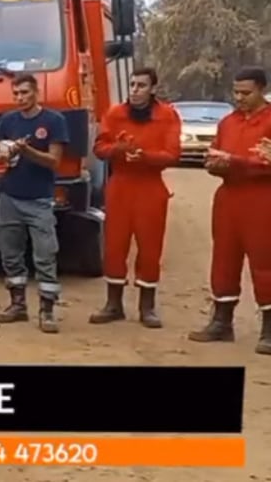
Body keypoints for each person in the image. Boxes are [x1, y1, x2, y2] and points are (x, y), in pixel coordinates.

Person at [89, 67, 180, 328]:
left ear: (152, 89)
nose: (135, 90)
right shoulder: (116, 113)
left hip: (150, 186)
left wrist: (145, 157)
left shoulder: (167, 115)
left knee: (150, 247)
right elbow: (99, 148)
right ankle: (113, 304)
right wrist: (117, 149)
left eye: (141, 85)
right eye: (132, 84)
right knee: (114, 245)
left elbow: (173, 154)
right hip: (121, 185)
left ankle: (147, 307)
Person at [189, 67, 271, 354]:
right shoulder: (227, 123)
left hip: (262, 198)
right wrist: (214, 164)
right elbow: (215, 154)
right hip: (228, 197)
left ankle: (269, 329)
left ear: (262, 90)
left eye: (246, 93)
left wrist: (234, 161)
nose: (239, 98)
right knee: (224, 258)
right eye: (236, 92)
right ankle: (222, 322)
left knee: (264, 261)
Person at [0, 73, 69, 334]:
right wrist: (5, 153)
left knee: (45, 254)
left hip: (40, 200)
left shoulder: (54, 120)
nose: (20, 98)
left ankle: (47, 310)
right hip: (10, 197)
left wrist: (27, 151)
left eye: (25, 92)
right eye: (16, 94)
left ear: (36, 93)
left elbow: (54, 161)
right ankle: (17, 305)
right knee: (10, 252)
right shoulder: (7, 120)